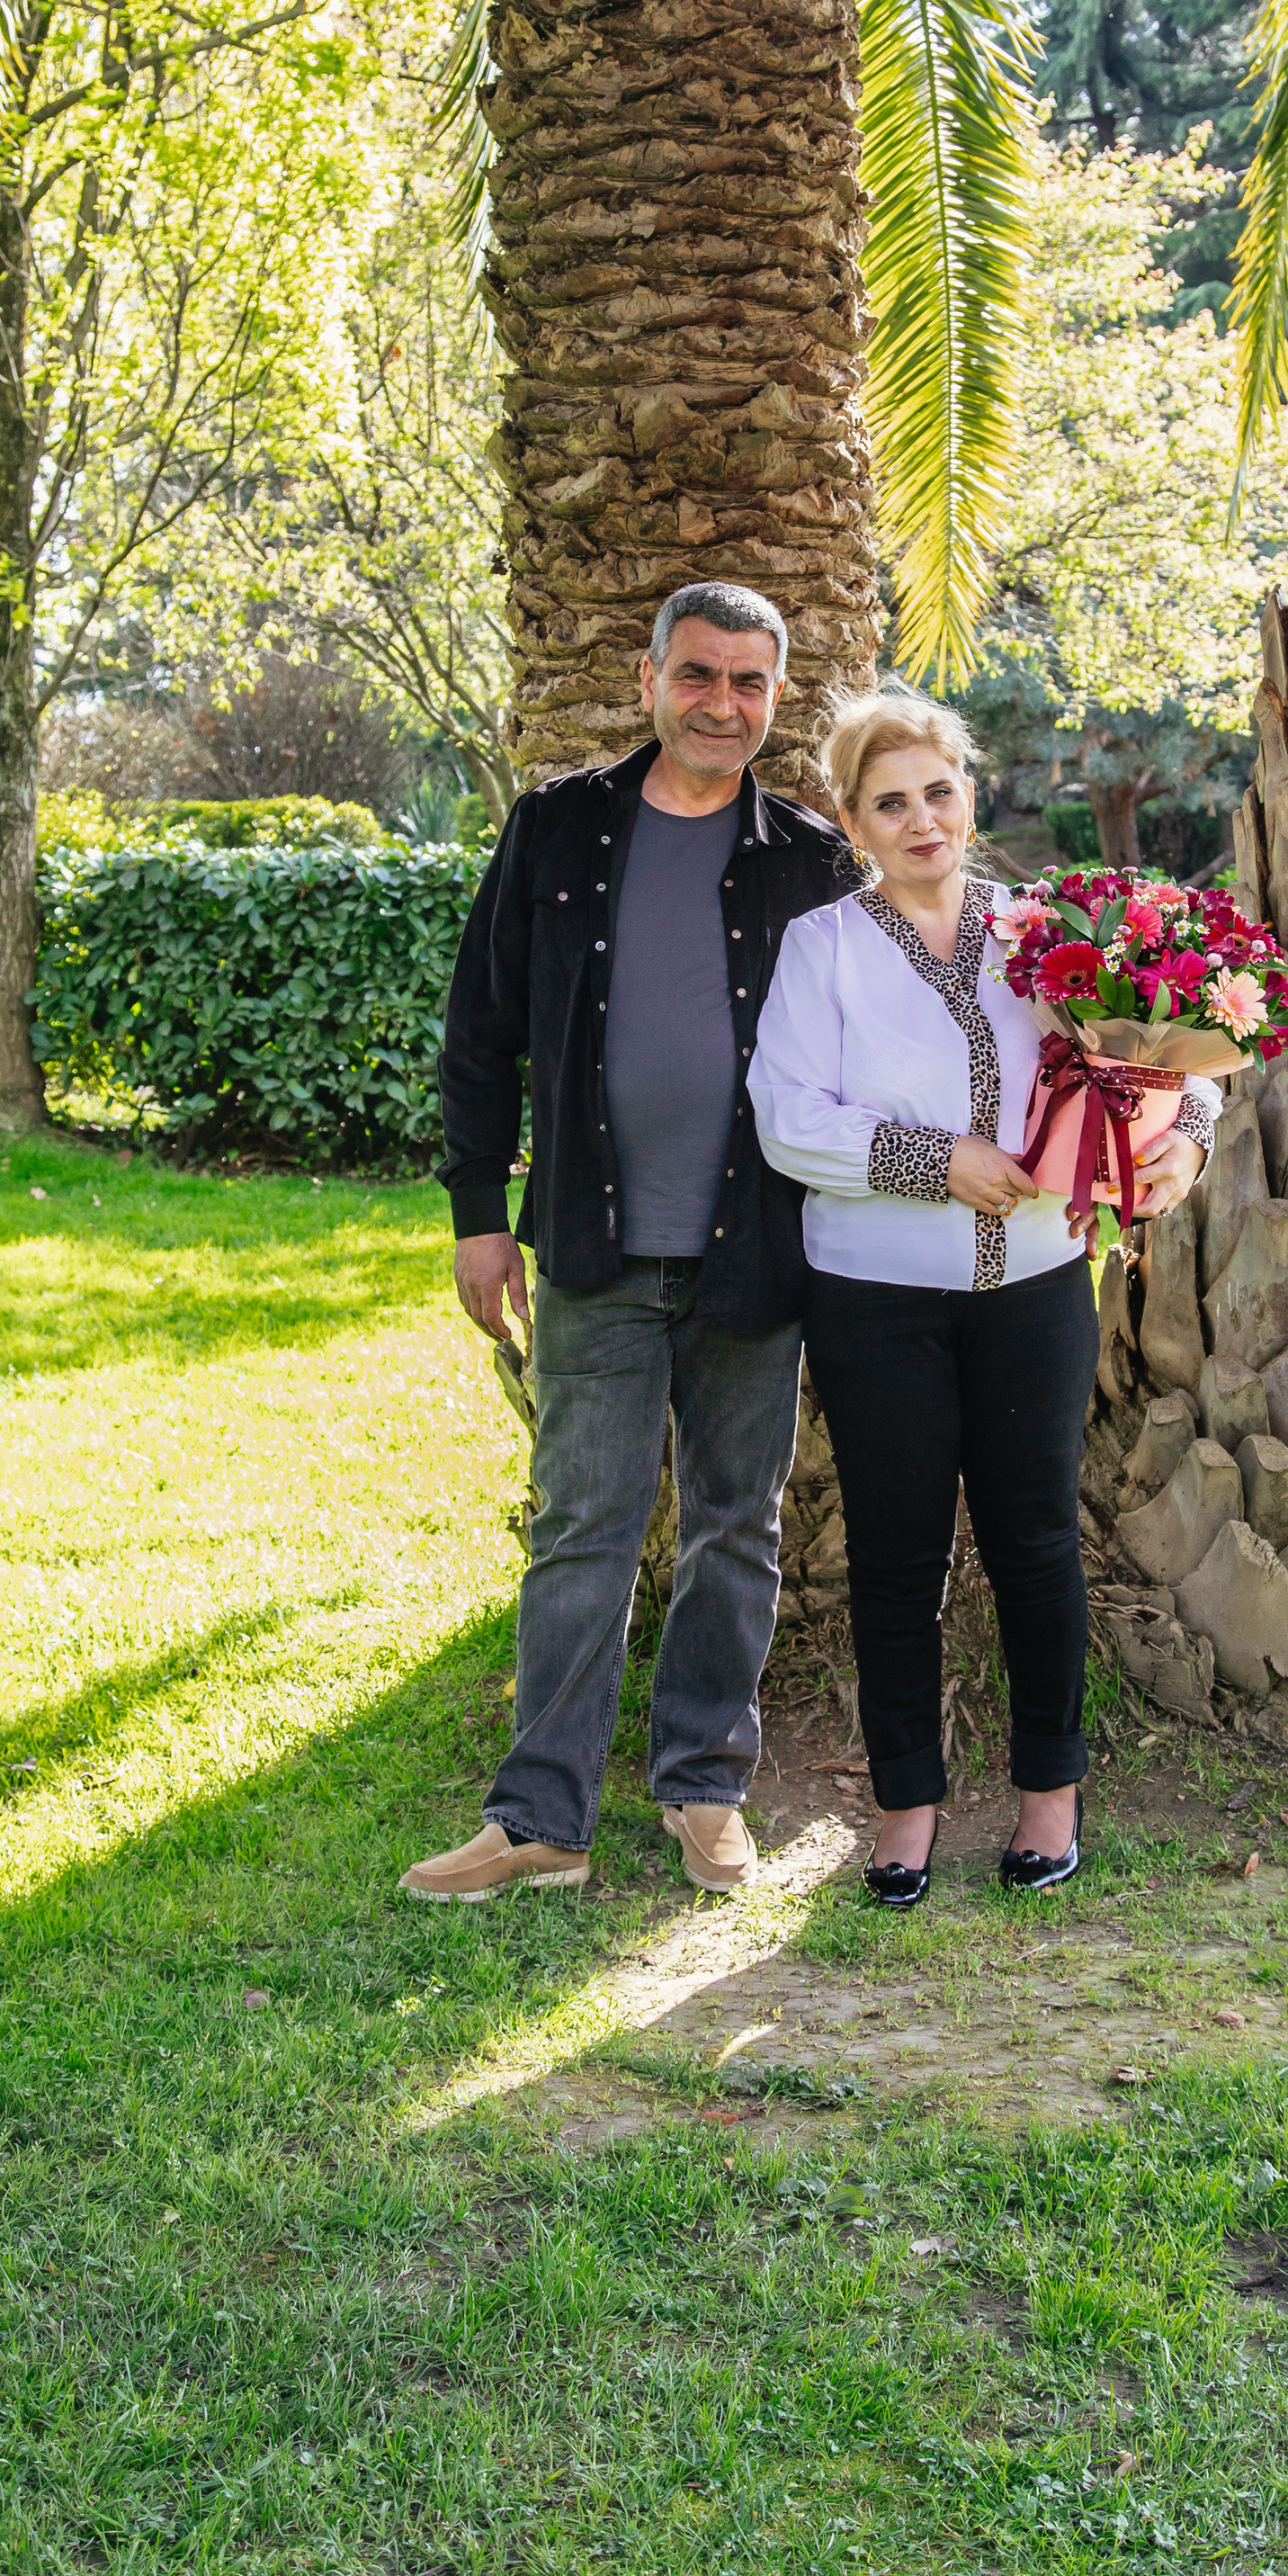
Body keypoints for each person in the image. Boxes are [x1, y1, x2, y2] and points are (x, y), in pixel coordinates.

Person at [403, 582, 858, 1903]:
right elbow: (480, 1033)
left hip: (754, 1257)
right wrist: (478, 1216)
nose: (726, 704)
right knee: (582, 1525)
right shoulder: (556, 828)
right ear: (650, 676)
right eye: (702, 676)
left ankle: (705, 1790)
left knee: (736, 1525)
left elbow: (908, 1011)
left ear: (778, 697)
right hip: (595, 1250)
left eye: (753, 683)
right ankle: (539, 1819)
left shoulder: (812, 859)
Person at [747, 695, 1215, 1906]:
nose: (921, 821)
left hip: (1041, 1289)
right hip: (876, 1297)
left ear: (970, 792)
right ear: (853, 822)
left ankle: (1049, 1795)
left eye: (938, 792)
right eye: (889, 803)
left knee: (1035, 1544)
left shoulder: (1052, 930)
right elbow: (790, 1119)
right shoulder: (823, 947)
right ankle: (905, 1808)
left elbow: (1164, 1047)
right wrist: (934, 1160)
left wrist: (1188, 1142)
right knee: (898, 1559)